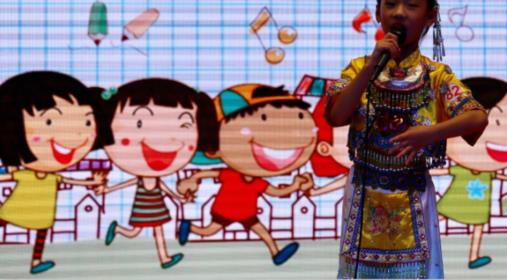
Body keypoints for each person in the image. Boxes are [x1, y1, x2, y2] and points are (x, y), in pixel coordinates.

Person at [327, 0, 488, 278]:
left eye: (411, 5)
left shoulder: (435, 75)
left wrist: (429, 134)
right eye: (391, 4)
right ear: (378, 12)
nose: (399, 12)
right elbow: (336, 115)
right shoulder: (359, 69)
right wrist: (372, 65)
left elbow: (476, 117)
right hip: (364, 192)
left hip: (413, 193)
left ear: (430, 16)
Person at [176, 84, 314, 266]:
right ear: (215, 148)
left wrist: (295, 185)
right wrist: (193, 178)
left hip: (247, 213)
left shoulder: (258, 182)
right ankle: (189, 227)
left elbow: (276, 192)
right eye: (264, 119)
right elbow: (209, 173)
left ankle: (276, 253)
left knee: (263, 232)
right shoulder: (230, 175)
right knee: (208, 231)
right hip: (224, 211)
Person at [98, 78, 218, 270]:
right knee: (136, 232)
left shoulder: (155, 179)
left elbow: (165, 190)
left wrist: (180, 198)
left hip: (156, 208)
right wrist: (108, 189)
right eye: (139, 122)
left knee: (155, 231)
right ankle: (120, 230)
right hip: (144, 208)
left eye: (184, 125)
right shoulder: (142, 178)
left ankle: (164, 258)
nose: (166, 140)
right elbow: (128, 184)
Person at [0, 71, 110, 275]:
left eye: (87, 123)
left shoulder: (52, 177)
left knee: (41, 234)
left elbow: (71, 180)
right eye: (49, 122)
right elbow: (5, 177)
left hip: (42, 213)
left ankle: (36, 262)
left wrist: (92, 182)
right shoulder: (26, 174)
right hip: (16, 209)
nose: (78, 135)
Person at [434, 76, 507, 269]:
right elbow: (442, 171)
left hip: (478, 207)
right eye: (496, 121)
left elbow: (503, 176)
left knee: (478, 228)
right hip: (455, 202)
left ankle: (474, 257)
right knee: (437, 219)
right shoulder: (462, 169)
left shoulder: (487, 173)